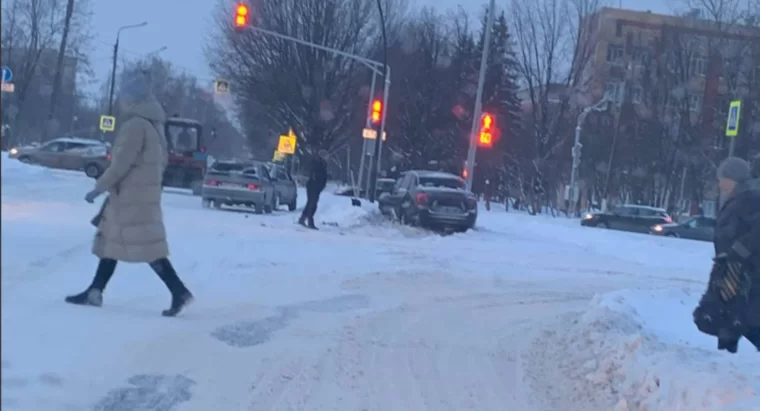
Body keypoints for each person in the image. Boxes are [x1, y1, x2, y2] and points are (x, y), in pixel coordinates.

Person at [65, 72, 194, 317]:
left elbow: (120, 163)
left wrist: (99, 187)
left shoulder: (135, 125)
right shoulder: (155, 126)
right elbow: (162, 162)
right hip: (141, 196)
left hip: (129, 198)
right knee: (111, 242)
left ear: (131, 98)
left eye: (124, 96)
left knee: (147, 248)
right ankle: (95, 291)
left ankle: (179, 292)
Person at [693, 157, 760, 352]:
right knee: (729, 314)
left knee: (738, 315)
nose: (720, 182)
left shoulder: (750, 198)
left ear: (733, 179)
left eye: (722, 178)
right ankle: (726, 358)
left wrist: (741, 250)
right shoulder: (740, 197)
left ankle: (728, 361)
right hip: (731, 267)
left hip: (743, 269)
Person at [298, 149, 329, 229]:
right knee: (313, 204)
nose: (327, 157)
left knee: (310, 203)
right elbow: (316, 175)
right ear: (322, 156)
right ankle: (310, 222)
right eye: (326, 156)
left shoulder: (322, 163)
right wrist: (317, 184)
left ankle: (302, 218)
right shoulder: (318, 164)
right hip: (313, 186)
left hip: (316, 187)